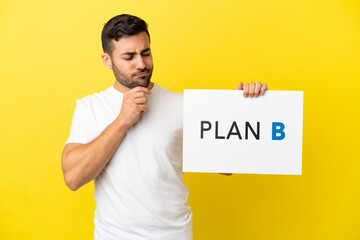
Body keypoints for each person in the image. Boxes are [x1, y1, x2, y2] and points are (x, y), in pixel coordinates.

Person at [61, 14, 268, 240]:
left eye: (146, 53)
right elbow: (73, 177)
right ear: (107, 60)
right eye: (129, 56)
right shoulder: (91, 107)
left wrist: (241, 111)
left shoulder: (181, 105)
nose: (141, 64)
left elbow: (226, 167)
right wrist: (122, 121)